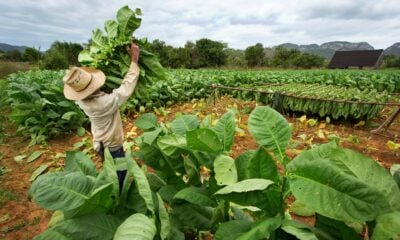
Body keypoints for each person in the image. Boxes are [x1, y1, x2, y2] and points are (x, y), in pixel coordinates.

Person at [62, 43, 140, 192]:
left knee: (108, 168)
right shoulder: (104, 103)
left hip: (99, 143)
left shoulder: (81, 101)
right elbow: (126, 87)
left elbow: (97, 92)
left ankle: (111, 186)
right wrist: (134, 61)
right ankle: (117, 196)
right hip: (112, 146)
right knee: (119, 175)